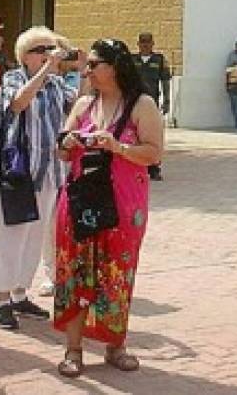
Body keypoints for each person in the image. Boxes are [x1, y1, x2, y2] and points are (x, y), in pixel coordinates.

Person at [53, 38, 163, 378]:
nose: (86, 70)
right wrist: (68, 142)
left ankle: (116, 346)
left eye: (94, 64)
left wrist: (118, 146)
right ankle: (73, 350)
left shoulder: (141, 105)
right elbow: (62, 148)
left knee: (117, 273)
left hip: (124, 202)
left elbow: (154, 153)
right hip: (80, 199)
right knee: (73, 271)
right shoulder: (84, 103)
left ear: (115, 67)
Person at [0, 27, 83, 332]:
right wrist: (44, 70)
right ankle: (1, 301)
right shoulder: (13, 78)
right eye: (40, 49)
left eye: (50, 49)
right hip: (15, 171)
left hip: (49, 172)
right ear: (24, 55)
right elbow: (17, 103)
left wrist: (82, 70)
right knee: (10, 233)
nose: (47, 54)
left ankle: (19, 294)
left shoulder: (56, 84)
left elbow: (75, 104)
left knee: (35, 235)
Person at [133, 32, 170, 180]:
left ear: (153, 43)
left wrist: (167, 100)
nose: (145, 45)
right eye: (142, 42)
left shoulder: (159, 60)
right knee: (135, 135)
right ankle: (138, 166)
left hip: (152, 103)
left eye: (148, 42)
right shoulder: (132, 60)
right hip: (135, 102)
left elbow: (165, 81)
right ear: (138, 44)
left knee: (153, 136)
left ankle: (154, 168)